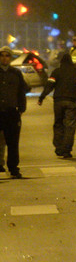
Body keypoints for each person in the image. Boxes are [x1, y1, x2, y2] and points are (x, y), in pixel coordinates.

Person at [38, 50, 76, 159]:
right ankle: (66, 150)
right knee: (69, 126)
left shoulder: (56, 72)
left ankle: (58, 147)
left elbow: (49, 85)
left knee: (58, 124)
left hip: (58, 101)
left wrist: (42, 97)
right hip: (71, 101)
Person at [0, 47, 30, 177]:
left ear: (11, 58)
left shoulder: (16, 73)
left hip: (12, 112)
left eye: (7, 56)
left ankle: (13, 168)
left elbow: (21, 91)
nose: (4, 58)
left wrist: (21, 109)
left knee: (13, 142)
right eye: (2, 55)